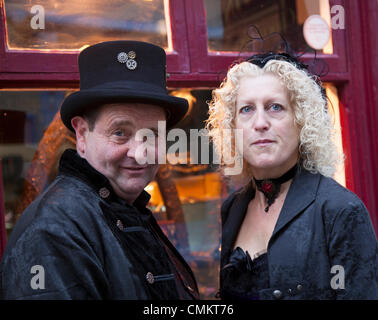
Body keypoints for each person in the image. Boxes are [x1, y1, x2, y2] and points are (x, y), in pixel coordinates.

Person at [0, 41, 199, 299]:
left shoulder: (120, 206)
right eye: (119, 133)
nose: (139, 152)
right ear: (82, 134)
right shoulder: (53, 232)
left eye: (152, 135)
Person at [206, 52, 377, 300]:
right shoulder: (233, 207)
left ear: (302, 121)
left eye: (275, 107)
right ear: (232, 128)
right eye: (246, 109)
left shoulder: (340, 210)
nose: (260, 123)